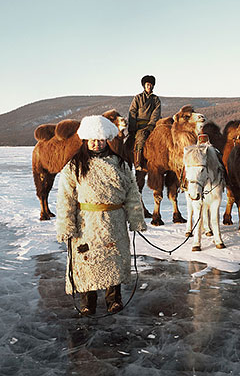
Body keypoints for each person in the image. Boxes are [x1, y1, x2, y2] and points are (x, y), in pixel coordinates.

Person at [55, 115, 147, 316]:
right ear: (86, 140)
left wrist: (136, 219)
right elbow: (65, 198)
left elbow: (132, 193)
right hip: (86, 223)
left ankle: (114, 299)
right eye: (93, 140)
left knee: (113, 260)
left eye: (101, 140)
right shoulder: (74, 165)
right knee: (87, 260)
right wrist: (66, 225)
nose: (97, 144)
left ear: (107, 140)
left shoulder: (120, 164)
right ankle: (88, 302)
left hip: (114, 221)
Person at [128, 75, 161, 170]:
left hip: (153, 125)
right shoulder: (138, 98)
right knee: (140, 139)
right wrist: (132, 127)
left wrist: (151, 124)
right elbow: (132, 112)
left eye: (151, 85)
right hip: (140, 125)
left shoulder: (156, 99)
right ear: (144, 85)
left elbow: (156, 112)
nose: (149, 86)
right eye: (147, 84)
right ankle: (138, 162)